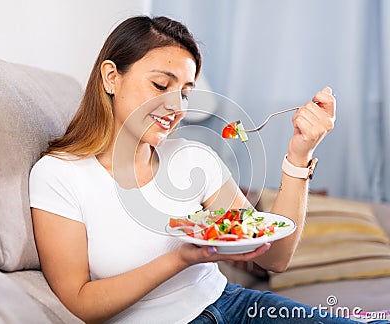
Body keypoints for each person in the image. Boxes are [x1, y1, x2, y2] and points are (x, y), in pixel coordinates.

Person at [29, 15, 357, 324]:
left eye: (185, 93)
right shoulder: (59, 175)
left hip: (235, 304)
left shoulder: (193, 158)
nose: (177, 108)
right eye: (160, 85)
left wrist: (299, 156)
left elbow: (275, 259)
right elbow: (81, 303)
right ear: (111, 77)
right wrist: (181, 258)